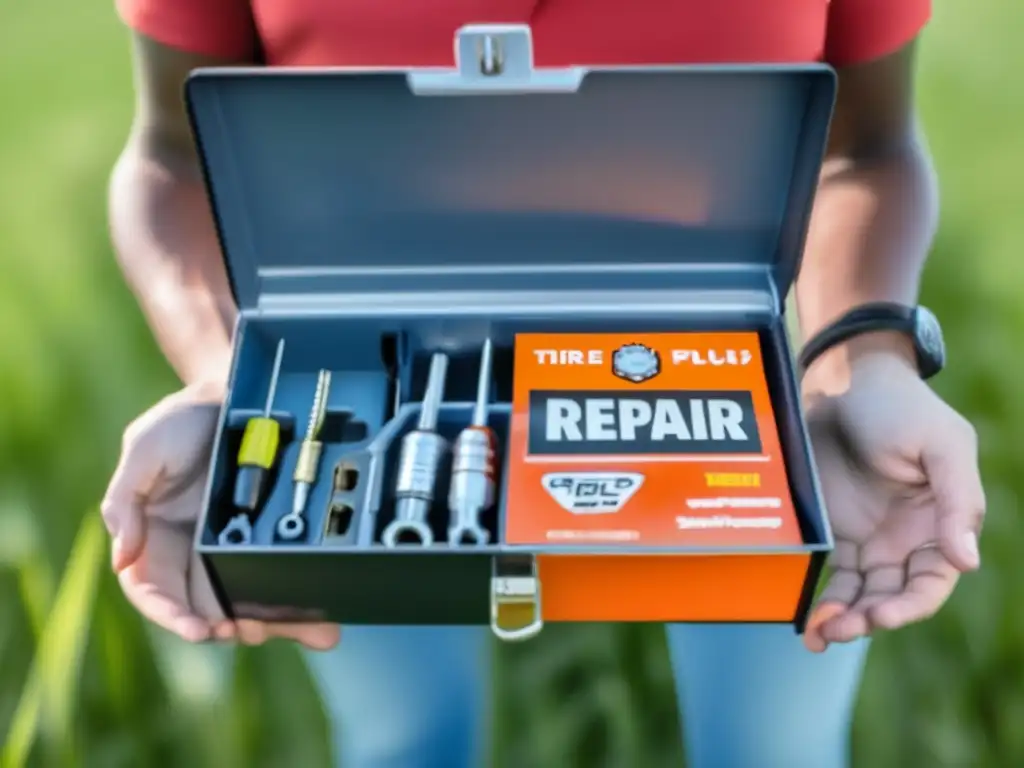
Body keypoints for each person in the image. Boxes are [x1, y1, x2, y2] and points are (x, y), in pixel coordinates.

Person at [101, 1, 987, 766]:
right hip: (354, 380)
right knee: (402, 741)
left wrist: (857, 363)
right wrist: (233, 385)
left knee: (774, 750)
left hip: (741, 378)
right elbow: (170, 158)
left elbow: (865, 148)